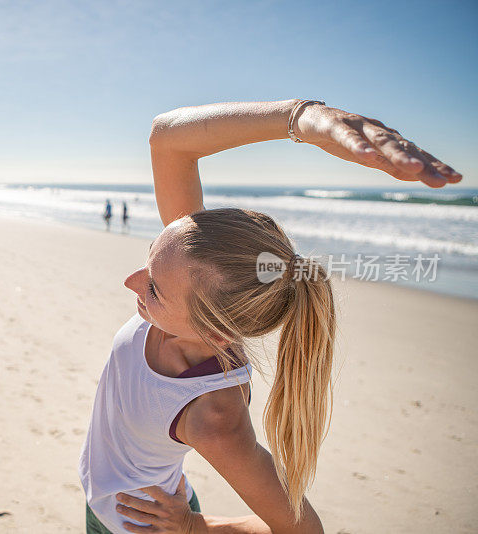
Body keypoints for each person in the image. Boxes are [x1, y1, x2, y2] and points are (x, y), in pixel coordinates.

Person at [78, 99, 461, 534]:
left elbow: (302, 529)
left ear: (217, 331)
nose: (131, 281)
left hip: (136, 526)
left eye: (153, 289)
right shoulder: (190, 269)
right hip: (105, 497)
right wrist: (305, 119)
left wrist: (196, 526)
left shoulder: (214, 415)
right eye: (149, 259)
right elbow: (168, 139)